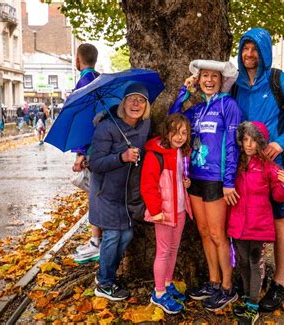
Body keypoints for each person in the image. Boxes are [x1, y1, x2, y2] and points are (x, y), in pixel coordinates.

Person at [232, 27, 284, 311]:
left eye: (255, 49)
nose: (249, 54)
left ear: (265, 51)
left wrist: (280, 143)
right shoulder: (235, 86)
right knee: (245, 221)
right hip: (244, 171)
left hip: (277, 168)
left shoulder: (282, 82)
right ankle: (251, 275)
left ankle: (279, 284)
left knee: (281, 223)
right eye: (245, 48)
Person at [169, 59, 242, 311]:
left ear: (222, 81)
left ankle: (227, 287)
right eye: (204, 76)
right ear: (198, 81)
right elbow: (173, 120)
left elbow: (233, 145)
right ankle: (212, 282)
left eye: (214, 76)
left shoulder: (229, 105)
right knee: (203, 231)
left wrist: (229, 181)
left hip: (217, 180)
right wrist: (184, 92)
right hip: (196, 179)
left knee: (217, 234)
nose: (209, 80)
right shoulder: (197, 109)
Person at [90, 83, 151, 301]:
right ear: (123, 103)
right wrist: (121, 157)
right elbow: (94, 163)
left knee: (127, 234)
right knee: (113, 235)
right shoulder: (107, 128)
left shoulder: (145, 126)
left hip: (129, 193)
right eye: (132, 99)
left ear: (147, 106)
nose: (136, 104)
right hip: (106, 192)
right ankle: (105, 283)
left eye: (141, 100)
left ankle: (105, 275)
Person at [228, 121, 284, 321]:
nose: (249, 145)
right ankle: (248, 298)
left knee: (255, 265)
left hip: (258, 227)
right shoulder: (236, 164)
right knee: (243, 264)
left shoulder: (268, 167)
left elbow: (279, 196)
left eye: (253, 140)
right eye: (245, 139)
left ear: (261, 143)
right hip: (238, 226)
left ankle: (253, 306)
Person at [140, 113, 193, 314]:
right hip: (163, 212)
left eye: (184, 133)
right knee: (163, 252)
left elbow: (176, 179)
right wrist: (156, 211)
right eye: (175, 132)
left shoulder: (181, 152)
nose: (179, 137)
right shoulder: (157, 154)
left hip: (179, 210)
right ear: (167, 132)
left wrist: (185, 182)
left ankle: (168, 283)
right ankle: (159, 293)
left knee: (173, 249)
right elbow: (148, 185)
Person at [70, 43, 103, 264]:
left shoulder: (82, 84)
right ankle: (97, 239)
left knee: (95, 196)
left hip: (91, 150)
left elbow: (83, 122)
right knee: (99, 194)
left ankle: (95, 242)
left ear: (78, 60)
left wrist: (80, 152)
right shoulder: (102, 81)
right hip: (105, 145)